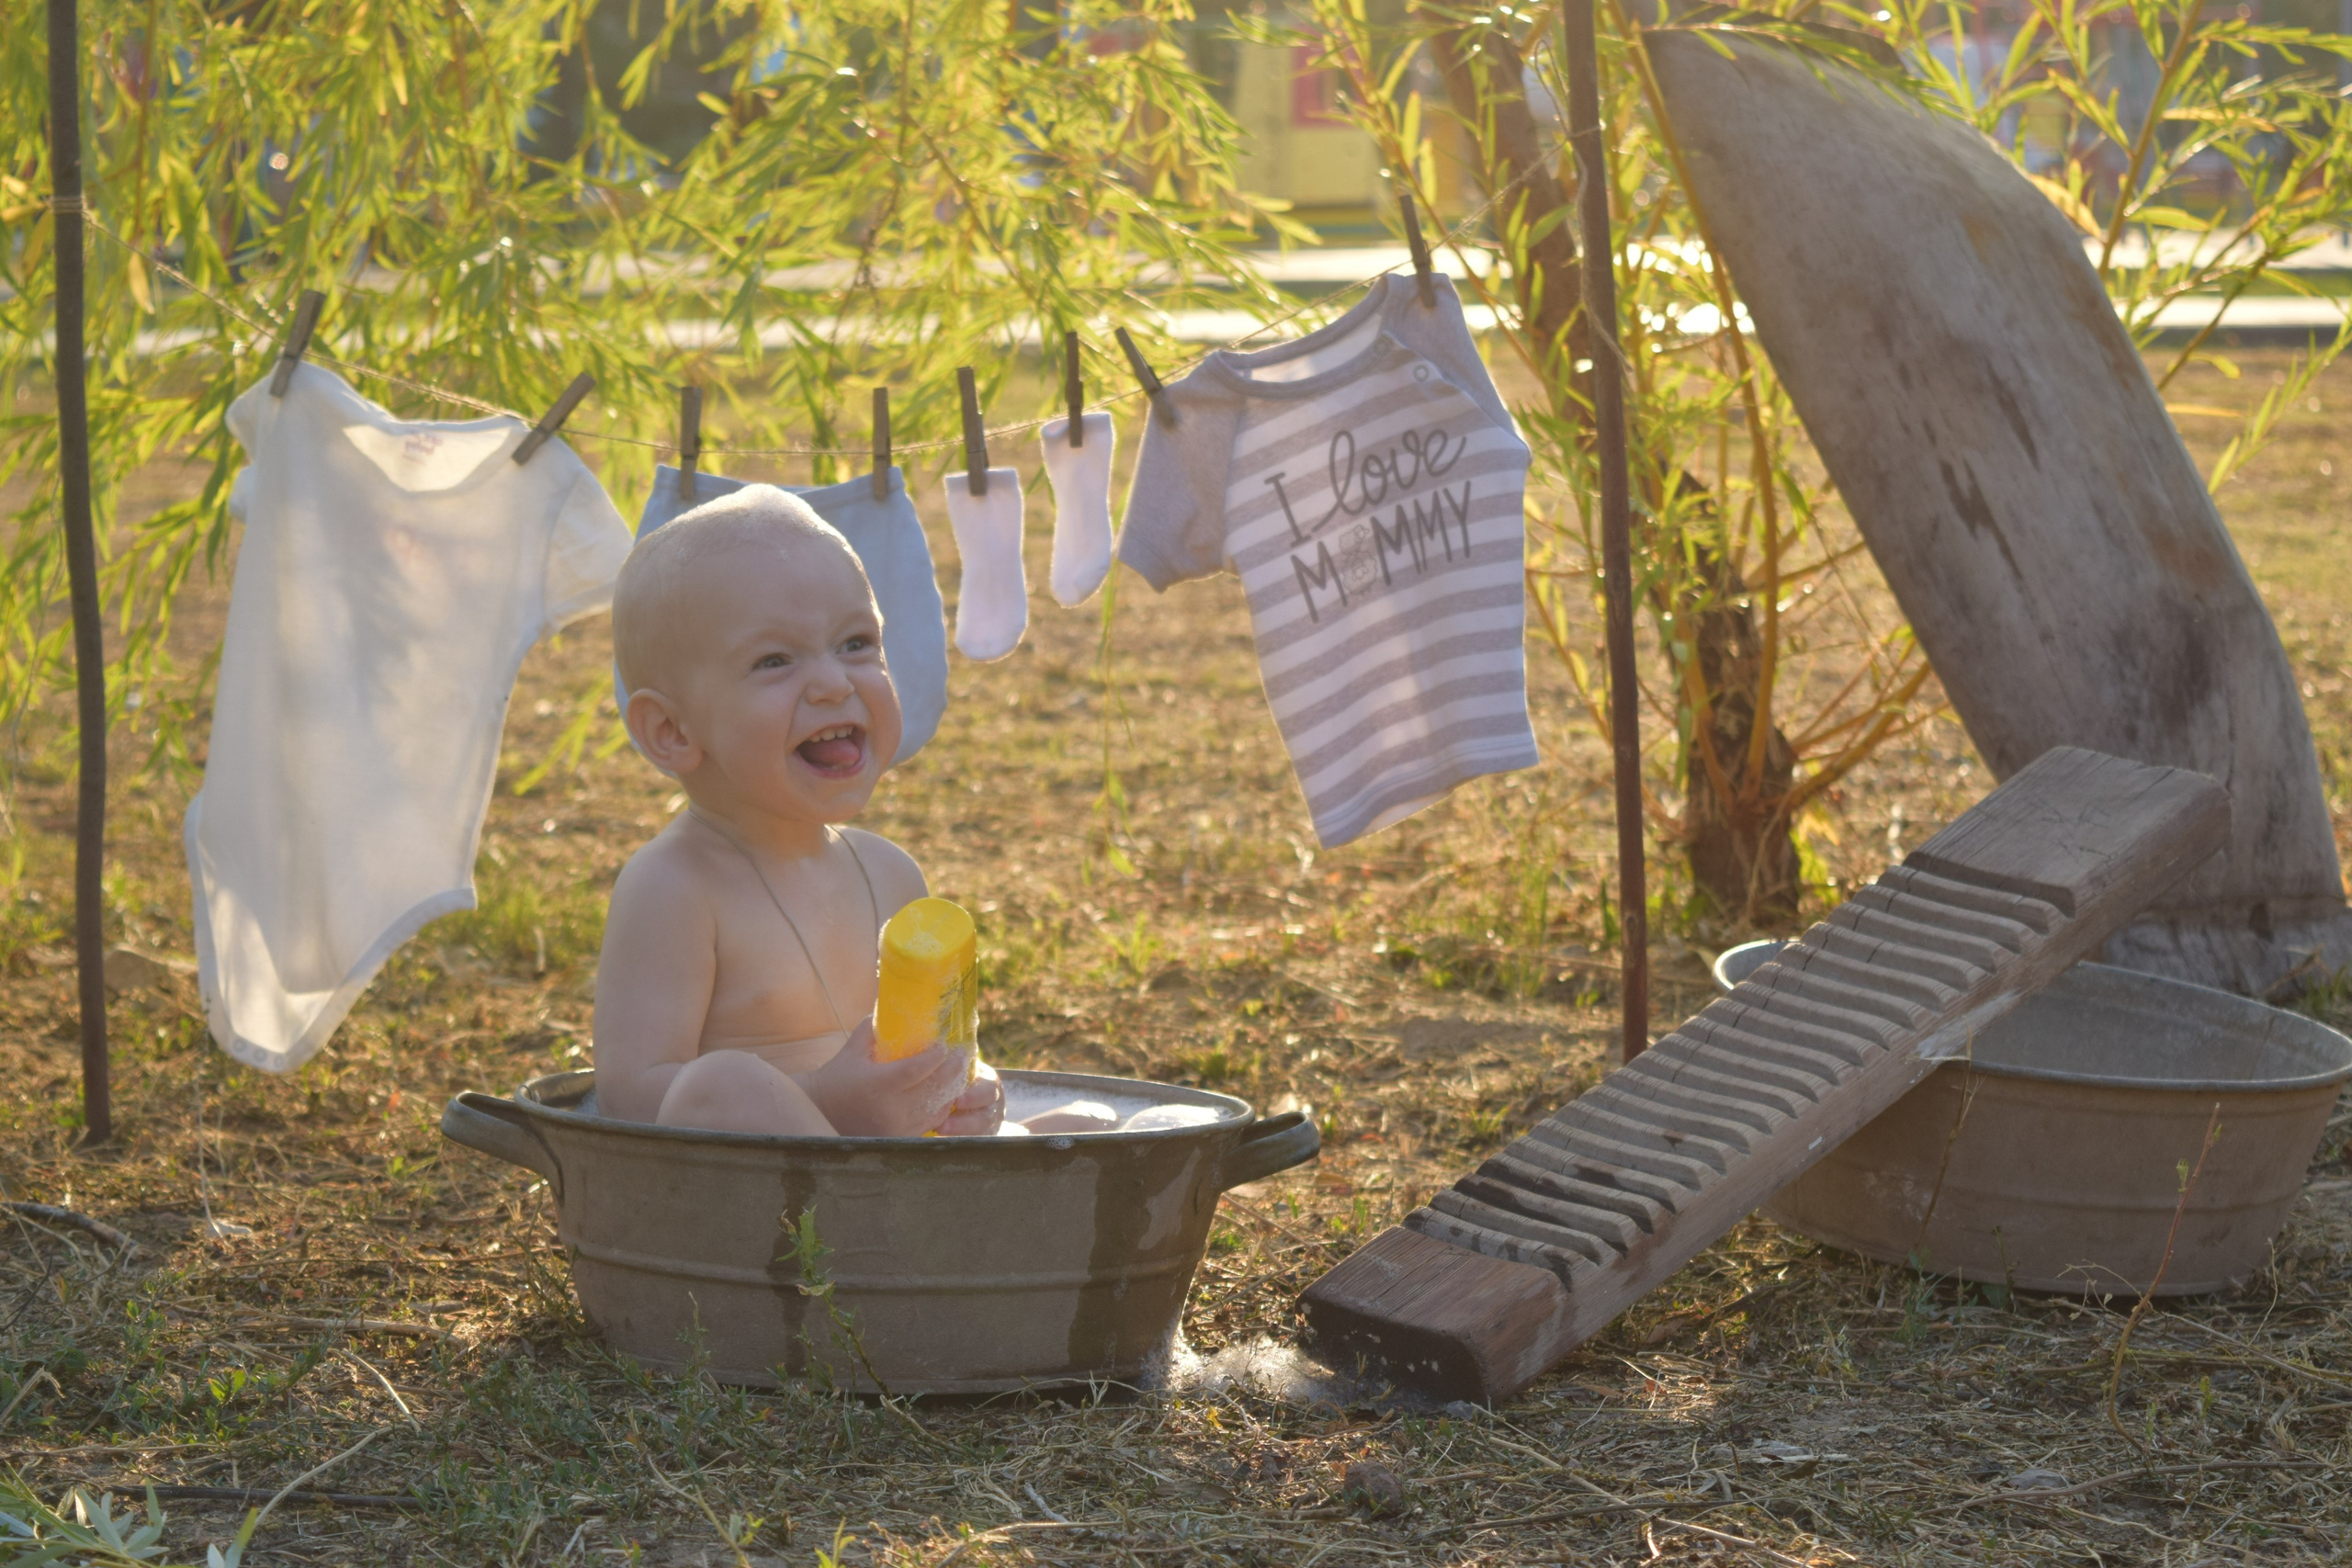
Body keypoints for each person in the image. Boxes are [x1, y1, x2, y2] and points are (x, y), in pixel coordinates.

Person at [593, 485, 1003, 1136]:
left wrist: (966, 1090)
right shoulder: (674, 886)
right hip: (763, 1211)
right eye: (774, 660)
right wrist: (822, 1104)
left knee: (1084, 1118)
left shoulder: (889, 872)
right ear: (671, 729)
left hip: (897, 1181)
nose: (834, 682)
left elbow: (928, 1054)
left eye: (856, 643)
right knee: (721, 1085)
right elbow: (626, 1099)